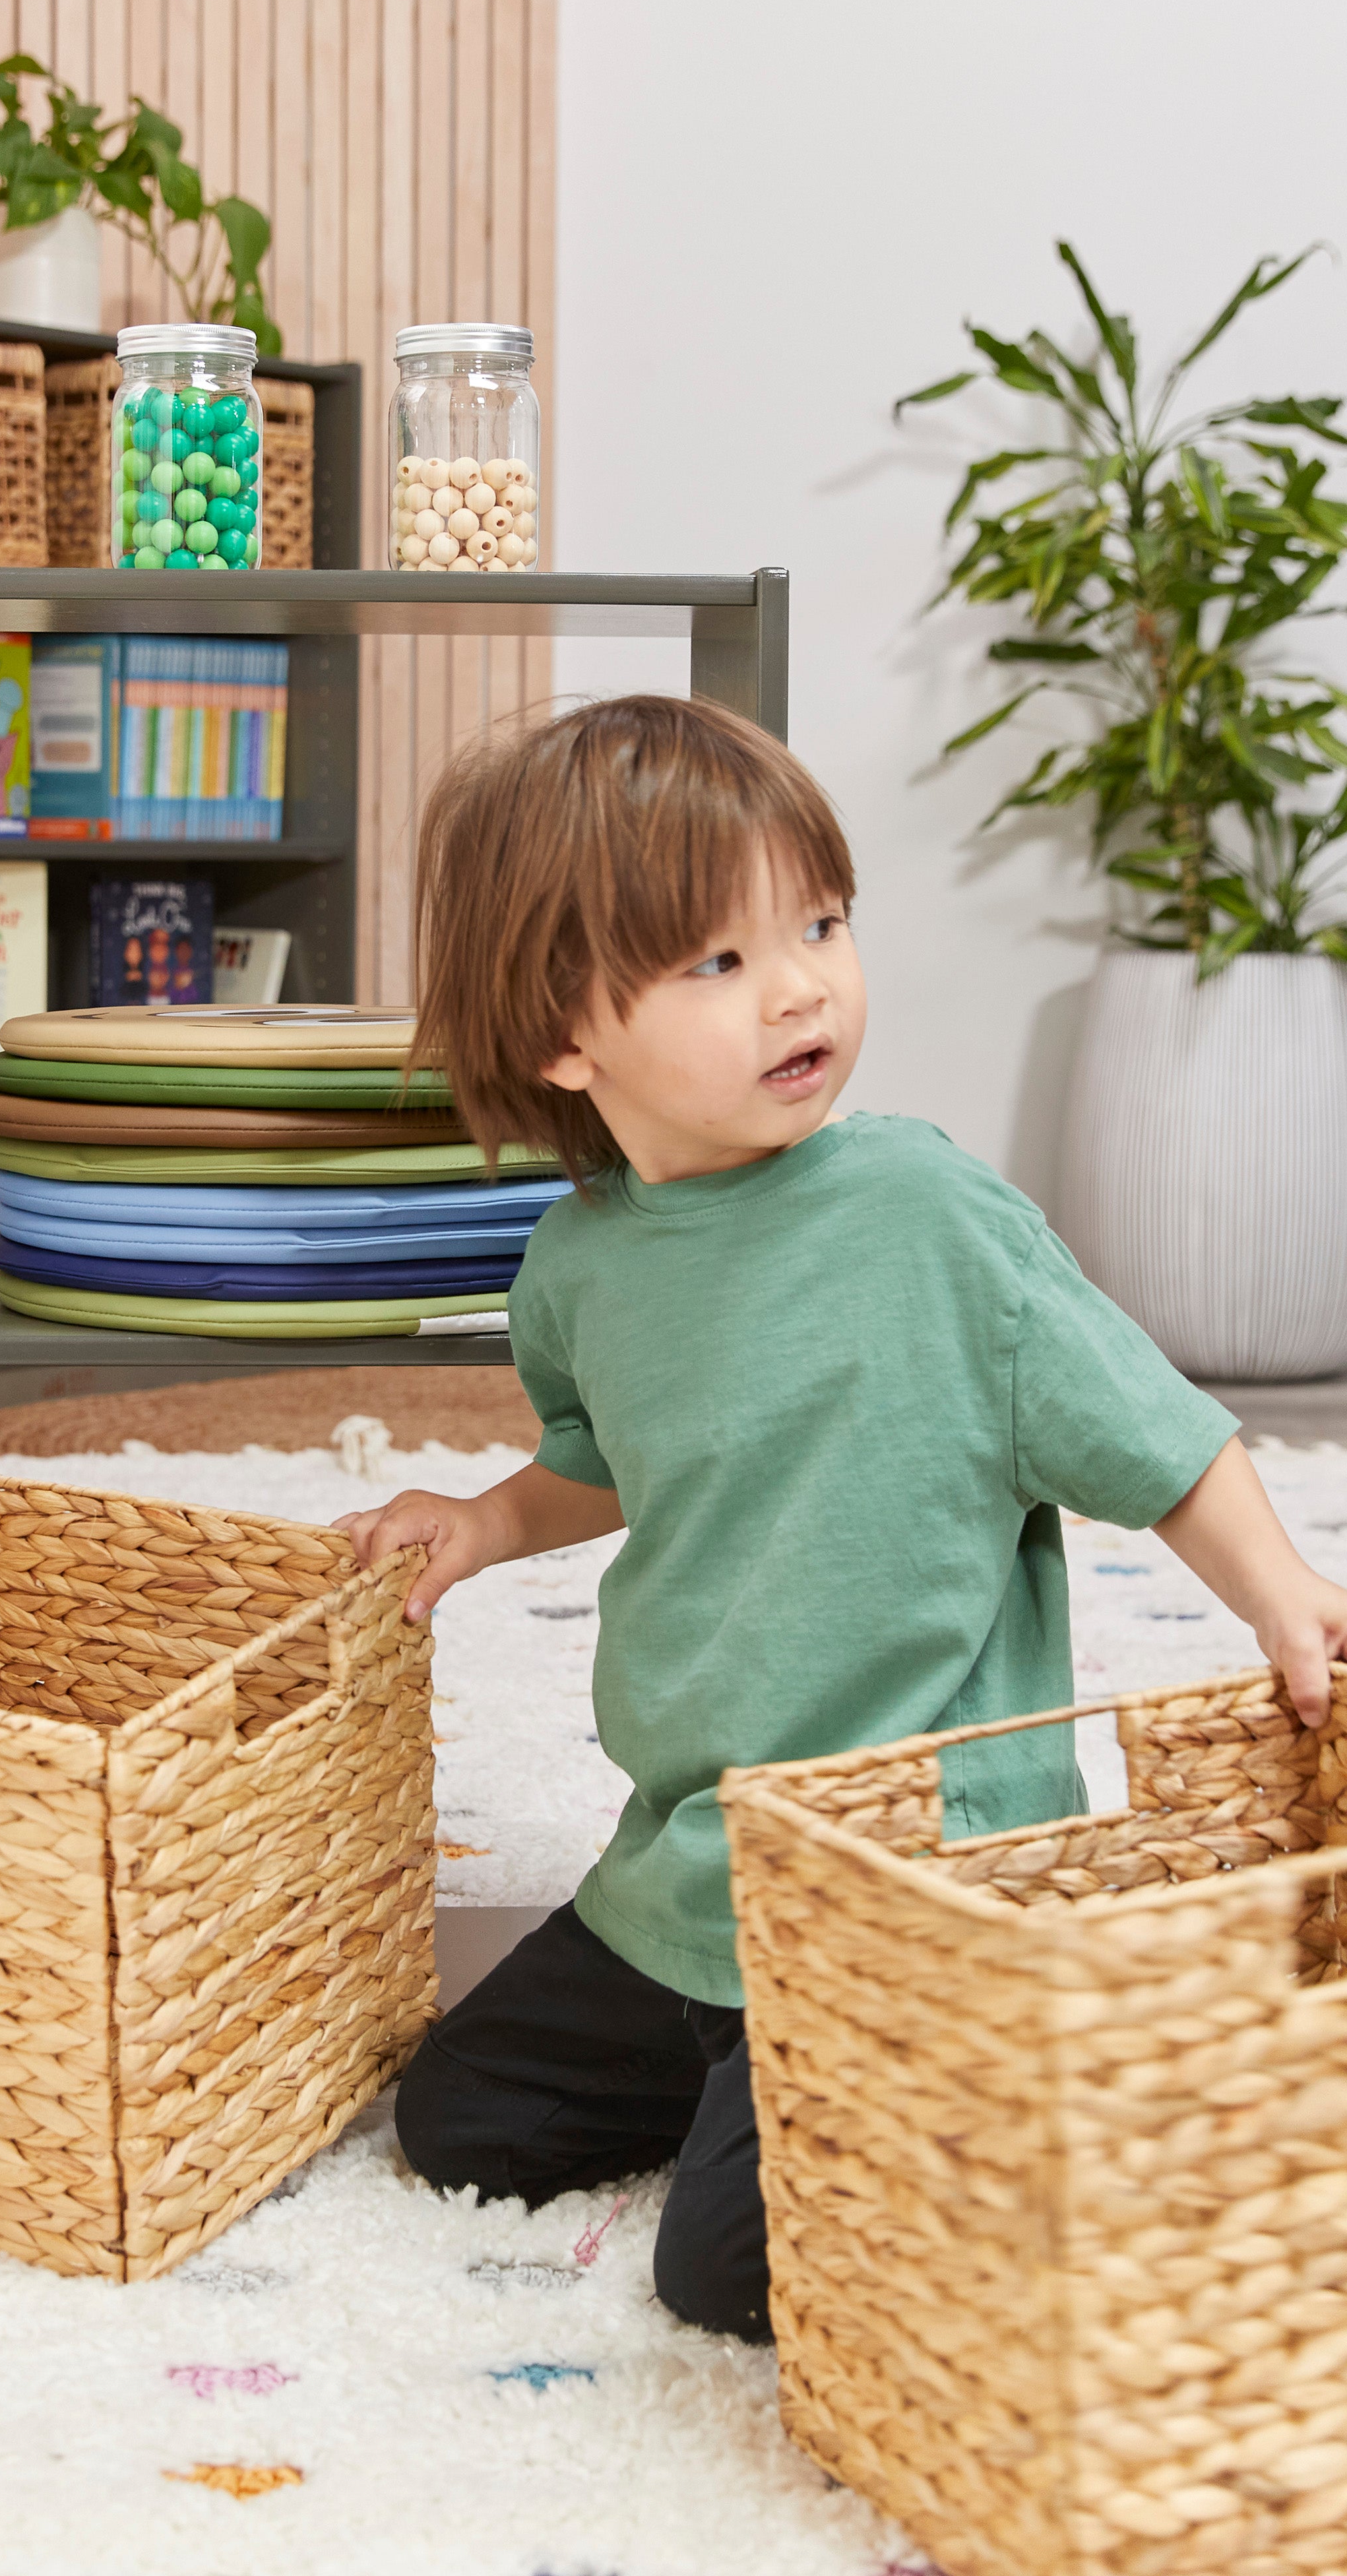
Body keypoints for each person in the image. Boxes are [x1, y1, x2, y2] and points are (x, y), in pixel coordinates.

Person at [334, 694, 1347, 2343]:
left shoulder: (925, 1216)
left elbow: (1145, 1427)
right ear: (564, 1037)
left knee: (726, 2270)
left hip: (906, 1869)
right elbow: (614, 1452)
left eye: (818, 924)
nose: (801, 985)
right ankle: (771, 2076)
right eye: (718, 959)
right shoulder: (581, 1263)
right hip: (695, 1862)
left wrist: (1277, 1585)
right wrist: (487, 1518)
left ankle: (998, 2083)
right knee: (457, 2123)